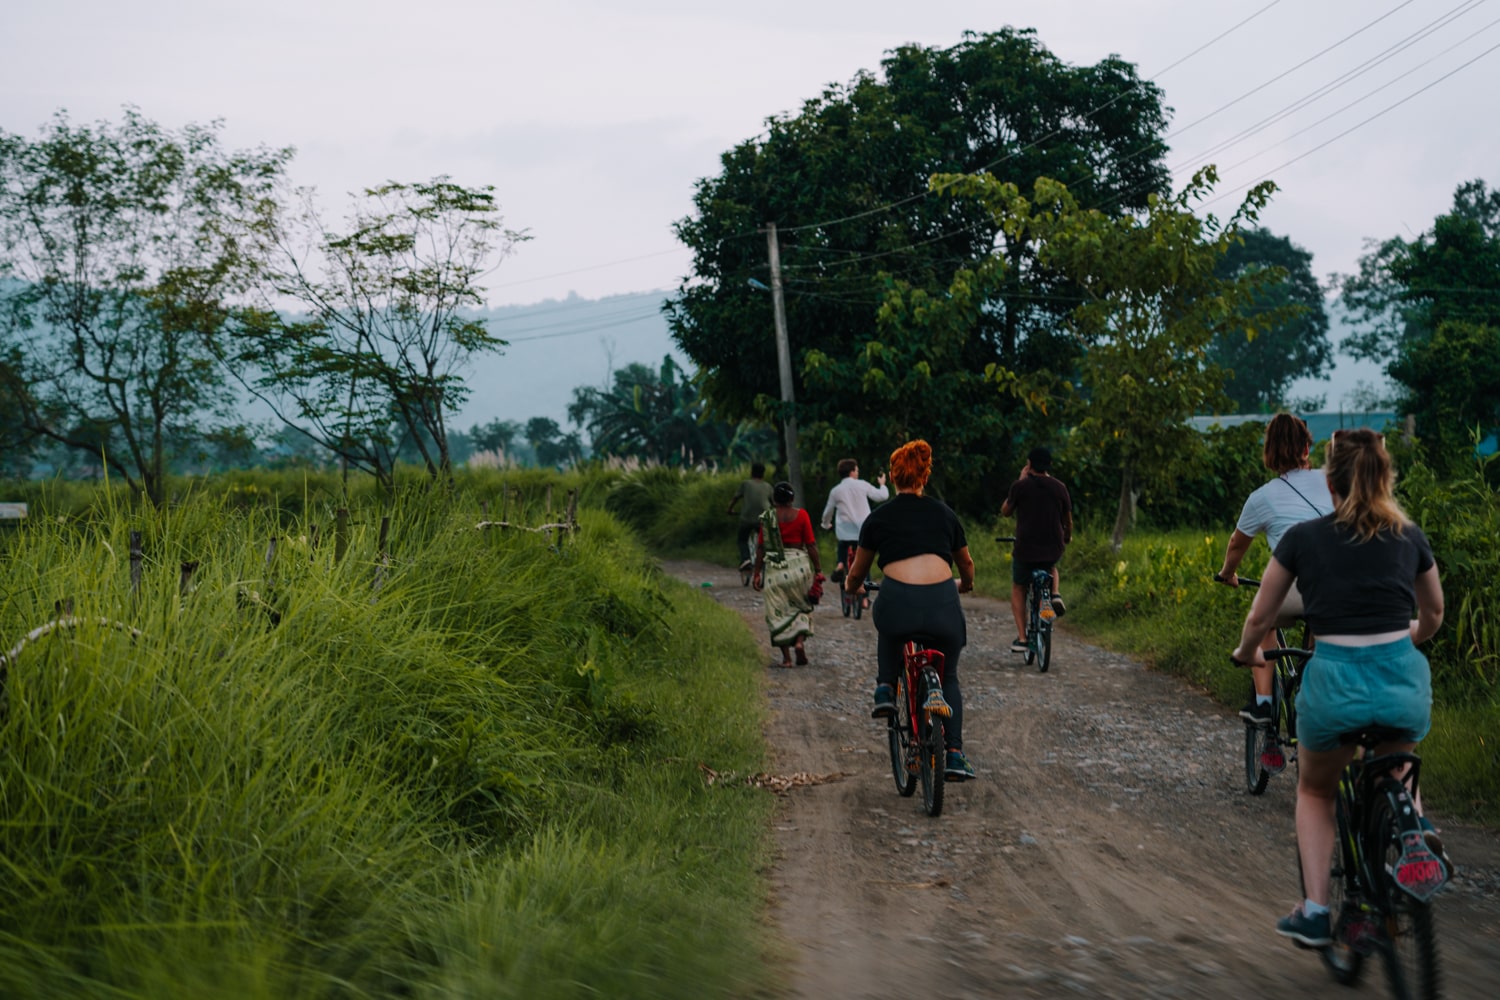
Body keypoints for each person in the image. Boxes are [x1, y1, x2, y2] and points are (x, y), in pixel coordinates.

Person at [1230, 428, 1444, 947]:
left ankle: (1317, 911)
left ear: (1330, 481)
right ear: (1384, 476)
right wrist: (1408, 637)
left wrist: (1246, 653)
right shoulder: (1409, 535)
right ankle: (1413, 830)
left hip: (1335, 686)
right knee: (1399, 765)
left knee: (1315, 790)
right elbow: (1434, 612)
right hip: (1401, 681)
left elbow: (1262, 615)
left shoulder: (1305, 540)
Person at [844, 440, 978, 781]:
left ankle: (886, 687)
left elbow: (858, 572)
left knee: (889, 626)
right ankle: (955, 754)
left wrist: (851, 587)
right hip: (943, 604)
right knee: (948, 677)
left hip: (899, 601)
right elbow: (966, 564)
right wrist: (965, 585)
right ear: (925, 476)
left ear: (893, 475)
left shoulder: (878, 518)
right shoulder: (945, 514)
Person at [1216, 413, 1333, 725]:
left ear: (1269, 454)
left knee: (1264, 621)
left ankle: (1264, 704)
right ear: (1307, 450)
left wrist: (1228, 573)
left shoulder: (1262, 497)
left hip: (1292, 590)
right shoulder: (1335, 483)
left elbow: (1237, 545)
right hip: (1340, 588)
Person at [1000, 446, 1072, 654]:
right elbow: (1068, 521)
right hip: (1052, 547)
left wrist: (1021, 481)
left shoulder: (1020, 487)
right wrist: (1066, 538)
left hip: (1026, 549)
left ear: (1029, 464)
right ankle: (1055, 594)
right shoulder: (1060, 487)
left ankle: (1022, 638)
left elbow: (1005, 511)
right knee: (1051, 566)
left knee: (1019, 586)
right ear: (1049, 466)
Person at [752, 481, 823, 667]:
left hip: (775, 570)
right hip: (799, 568)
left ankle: (787, 658)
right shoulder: (802, 516)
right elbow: (811, 544)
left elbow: (760, 547)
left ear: (774, 499)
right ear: (792, 498)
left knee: (778, 612)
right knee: (801, 606)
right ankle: (799, 642)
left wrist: (757, 572)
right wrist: (818, 570)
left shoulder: (767, 518)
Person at [820, 458, 888, 607]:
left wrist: (826, 524)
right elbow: (882, 496)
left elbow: (827, 512)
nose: (858, 472)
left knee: (842, 545)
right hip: (863, 531)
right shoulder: (862, 485)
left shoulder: (836, 490)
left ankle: (840, 564)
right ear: (852, 471)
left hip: (845, 531)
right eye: (857, 470)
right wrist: (882, 485)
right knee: (864, 562)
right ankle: (864, 599)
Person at [727, 462, 774, 573]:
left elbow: (735, 498)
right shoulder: (768, 486)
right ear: (763, 474)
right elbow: (774, 502)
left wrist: (729, 510)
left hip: (747, 518)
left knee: (742, 539)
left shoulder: (746, 484)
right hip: (763, 518)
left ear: (751, 472)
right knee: (765, 540)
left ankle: (746, 559)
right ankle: (764, 559)